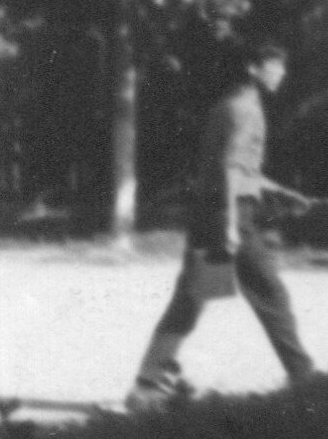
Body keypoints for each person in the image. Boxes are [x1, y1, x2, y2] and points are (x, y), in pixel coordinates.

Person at [128, 44, 315, 406]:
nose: (280, 73)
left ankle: (145, 387)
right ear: (253, 68)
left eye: (282, 66)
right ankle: (306, 383)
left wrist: (279, 190)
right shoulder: (246, 109)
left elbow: (236, 168)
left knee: (192, 299)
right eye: (273, 66)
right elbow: (230, 168)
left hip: (210, 213)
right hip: (229, 216)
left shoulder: (230, 105)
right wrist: (230, 225)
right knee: (271, 294)